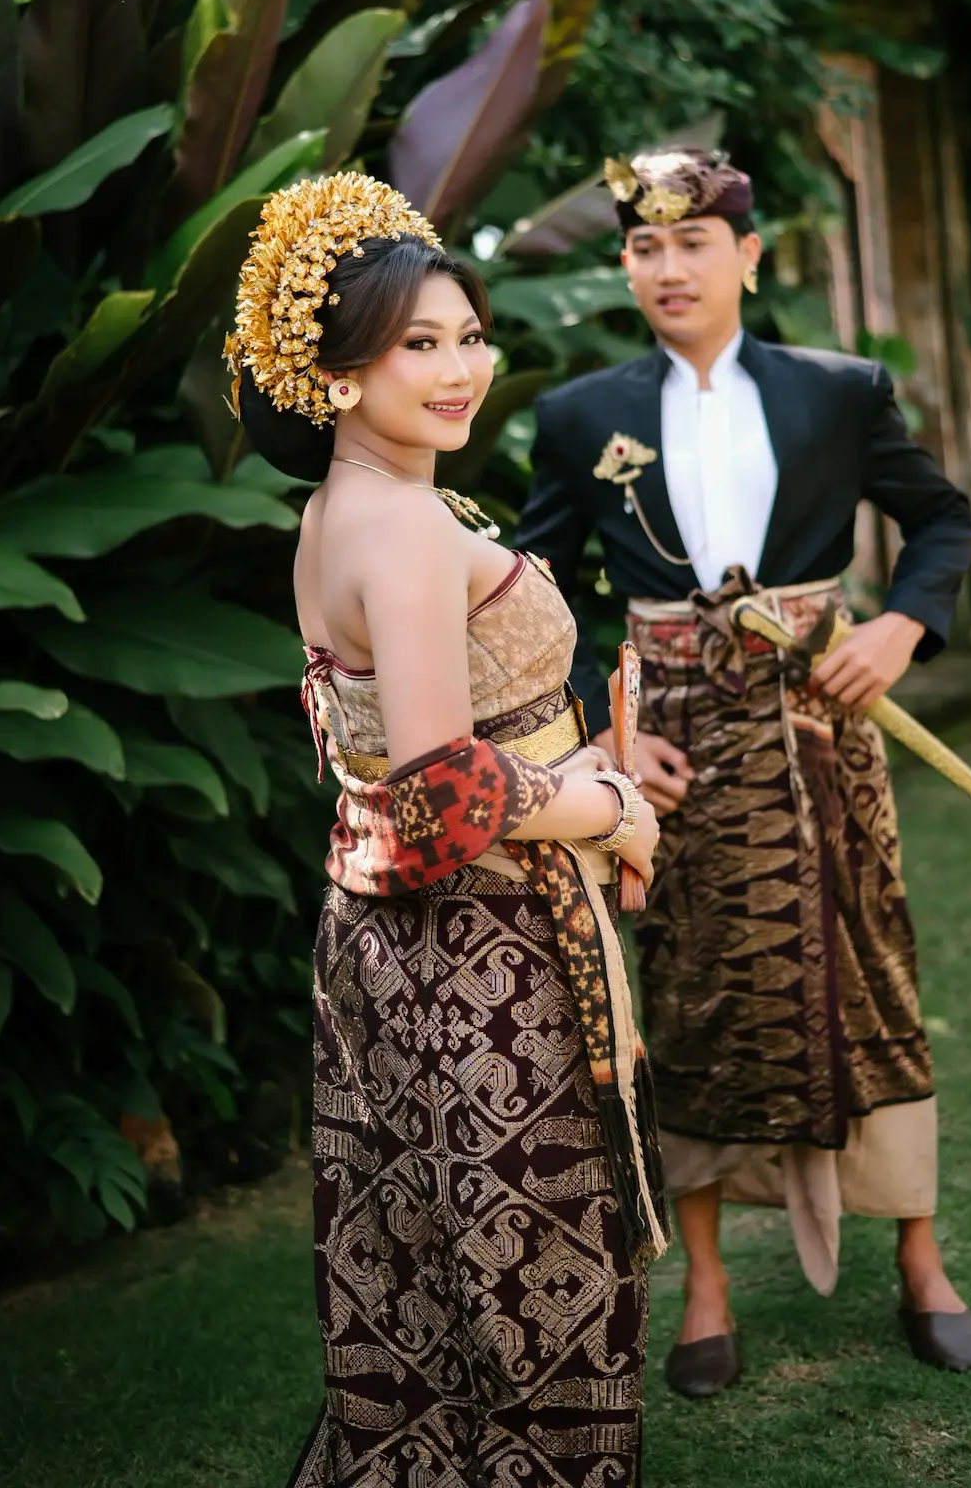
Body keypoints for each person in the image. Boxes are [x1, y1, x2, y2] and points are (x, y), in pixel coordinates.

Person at [515, 147, 971, 1394]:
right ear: (626, 265)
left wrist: (901, 626)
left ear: (747, 256)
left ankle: (920, 1259)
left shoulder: (837, 391)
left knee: (870, 974)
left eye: (692, 243)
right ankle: (707, 1285)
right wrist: (602, 735)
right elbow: (530, 593)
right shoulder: (581, 418)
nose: (667, 267)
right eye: (644, 247)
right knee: (690, 993)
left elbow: (940, 518)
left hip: (820, 728)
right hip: (670, 754)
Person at [224, 173, 667, 1487]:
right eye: (419, 344)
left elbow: (412, 743)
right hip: (484, 960)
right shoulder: (405, 527)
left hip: (391, 956)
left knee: (426, 1277)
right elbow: (439, 793)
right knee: (527, 1281)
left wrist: (578, 758)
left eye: (469, 335)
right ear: (334, 371)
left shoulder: (338, 512)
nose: (461, 367)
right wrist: (609, 809)